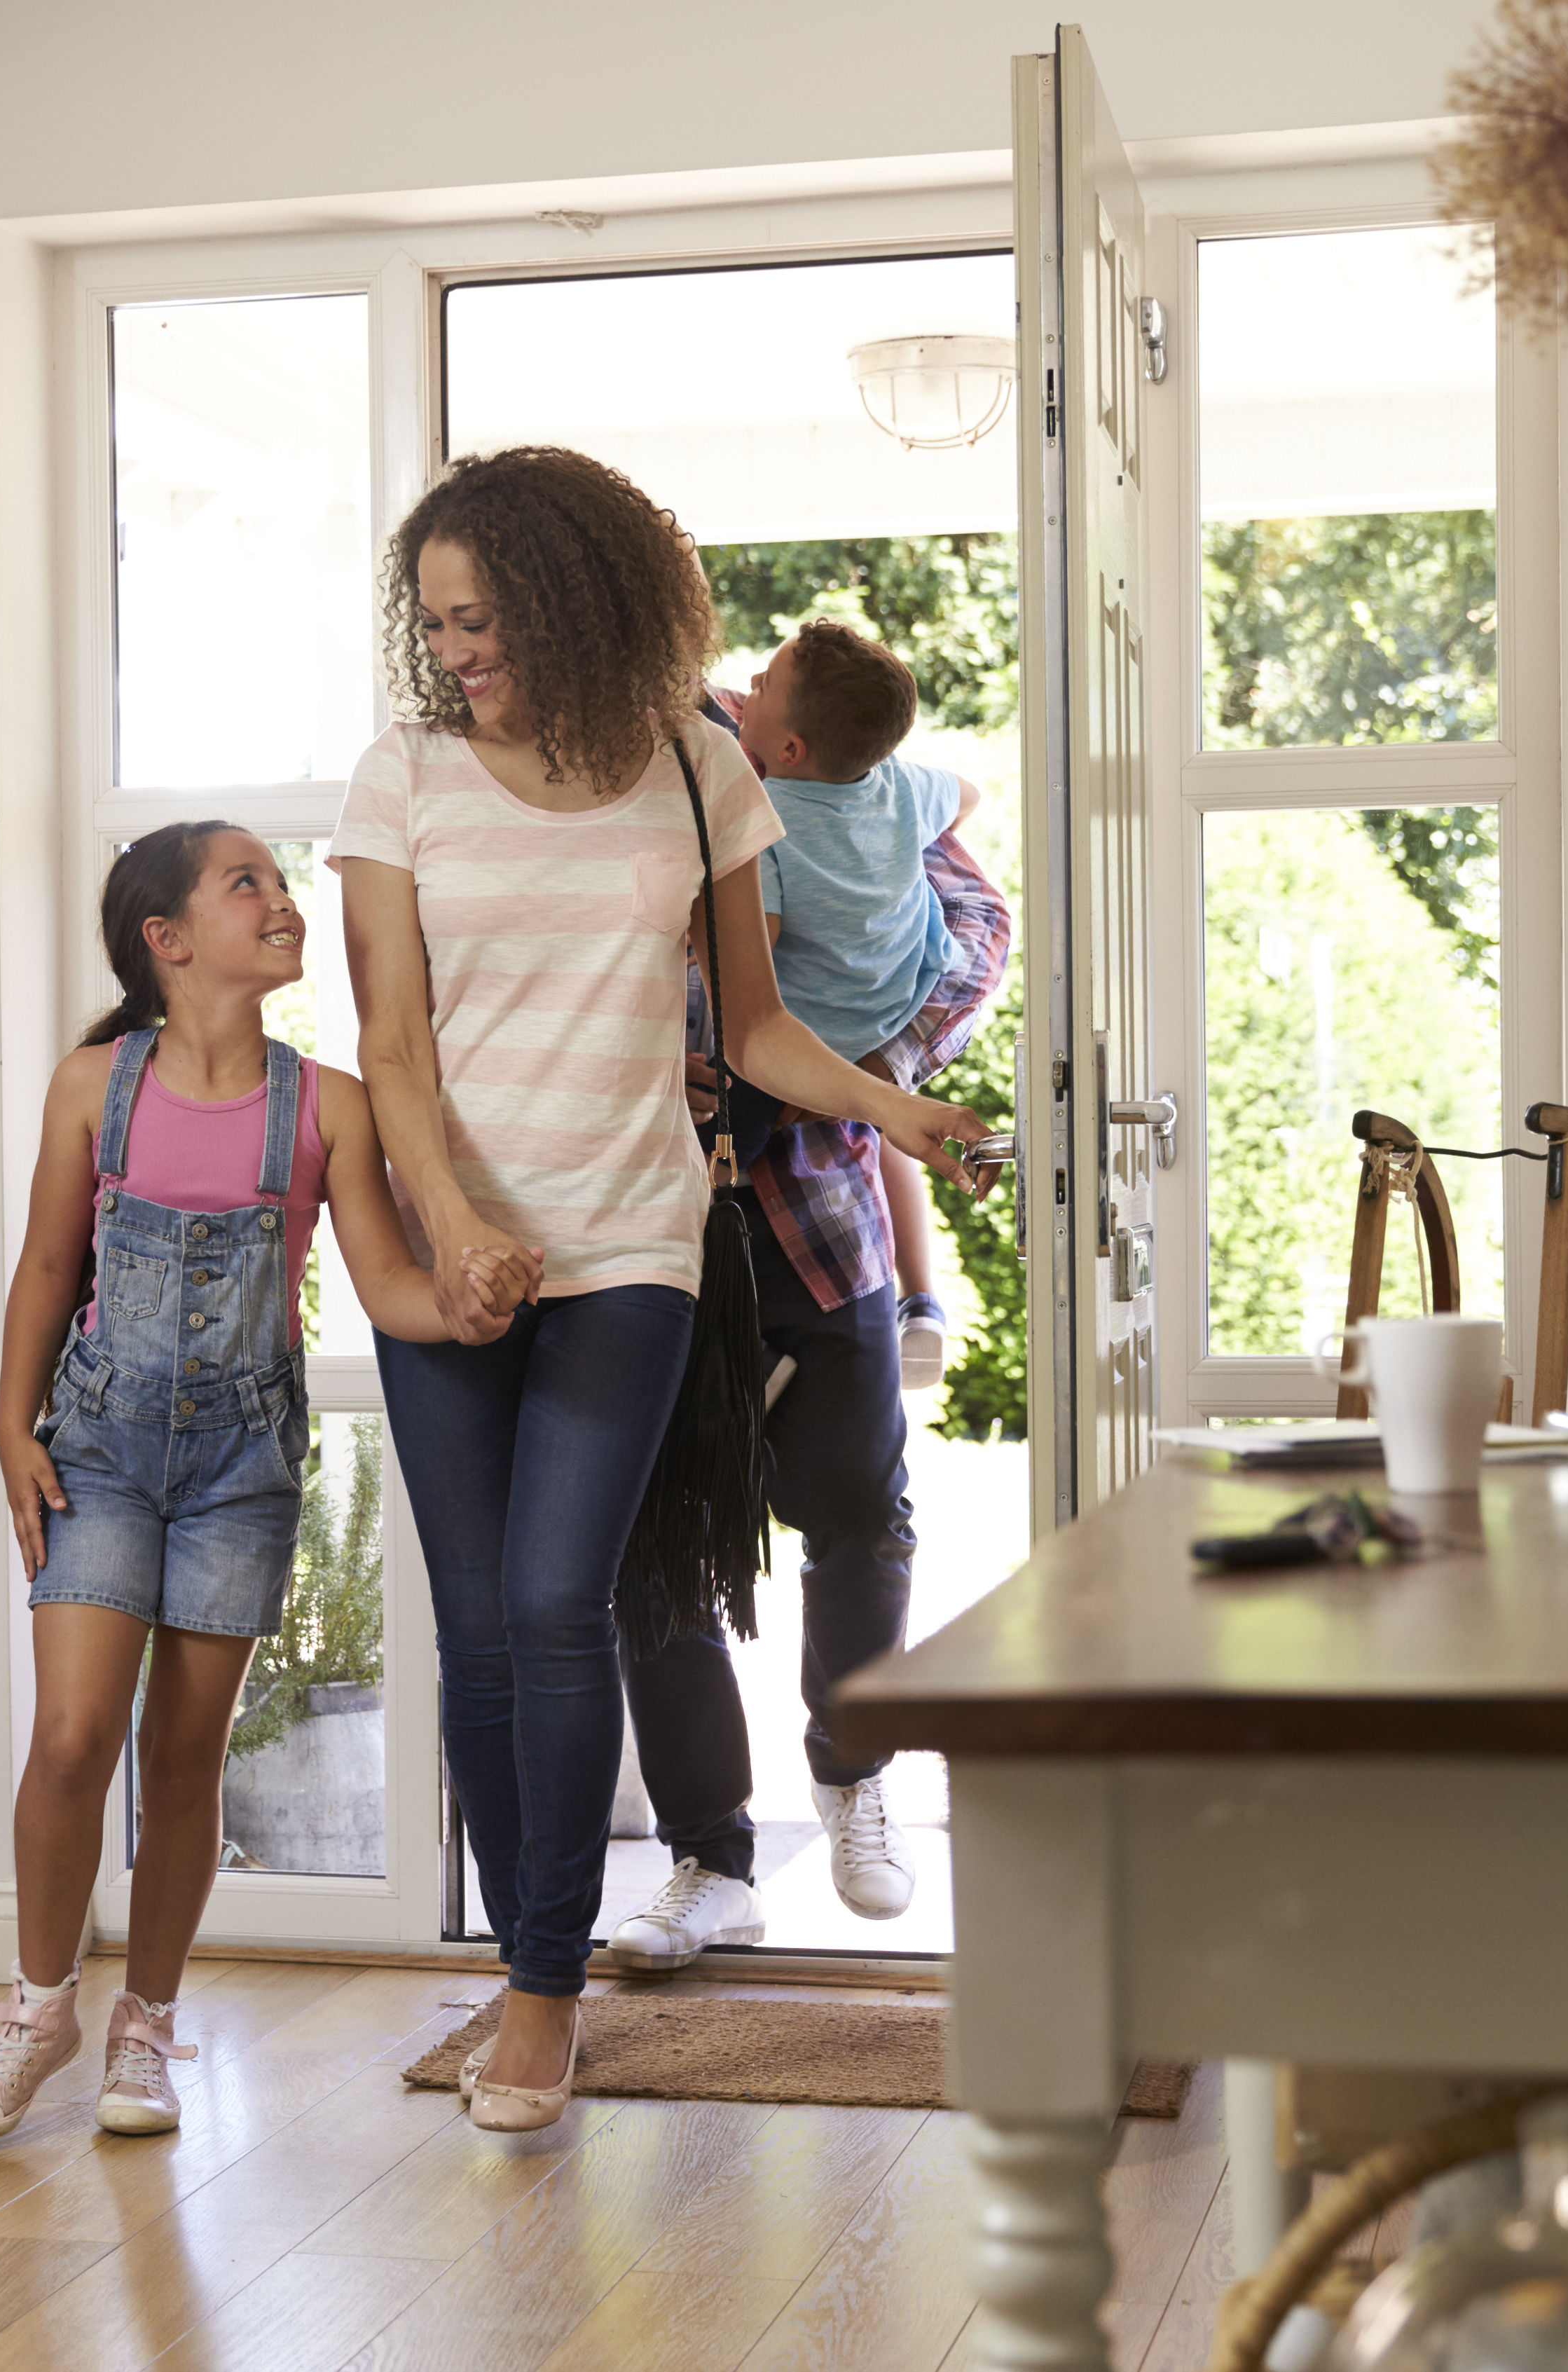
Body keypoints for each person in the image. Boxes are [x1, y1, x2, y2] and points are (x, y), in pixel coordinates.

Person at [335, 446, 996, 2131]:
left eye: (482, 614)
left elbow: (761, 1025)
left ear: (573, 596)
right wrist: (461, 1227)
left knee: (560, 1598)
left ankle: (545, 1993)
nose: (459, 647)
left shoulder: (700, 766)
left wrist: (896, 1106)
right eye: (438, 621)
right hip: (451, 1253)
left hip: (629, 1241)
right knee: (481, 1625)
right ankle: (525, 1962)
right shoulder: (402, 776)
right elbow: (393, 1047)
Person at [0, 824, 528, 2143]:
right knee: (71, 1738)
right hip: (95, 1445)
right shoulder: (94, 1086)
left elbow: (382, 1284)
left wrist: (468, 1309)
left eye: (280, 881)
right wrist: (7, 1427)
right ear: (166, 940)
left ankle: (144, 2026)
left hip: (239, 1465)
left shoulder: (326, 1104)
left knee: (185, 1750)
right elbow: (49, 1269)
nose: (282, 899)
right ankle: (41, 2009)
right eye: (246, 884)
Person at [611, 814, 1010, 1965]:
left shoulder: (804, 786)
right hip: (643, 1239)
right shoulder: (570, 793)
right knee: (660, 1550)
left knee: (860, 1522)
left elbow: (978, 924)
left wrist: (865, 1072)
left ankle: (850, 1771)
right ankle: (708, 1863)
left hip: (819, 1239)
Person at [720, 617, 982, 1395]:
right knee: (884, 1117)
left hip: (801, 1044)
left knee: (708, 1159)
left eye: (762, 684)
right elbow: (968, 794)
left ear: (790, 750)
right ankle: (921, 1300)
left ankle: (746, 1358)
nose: (750, 688)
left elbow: (750, 950)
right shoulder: (899, 785)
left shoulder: (763, 820)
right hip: (897, 1000)